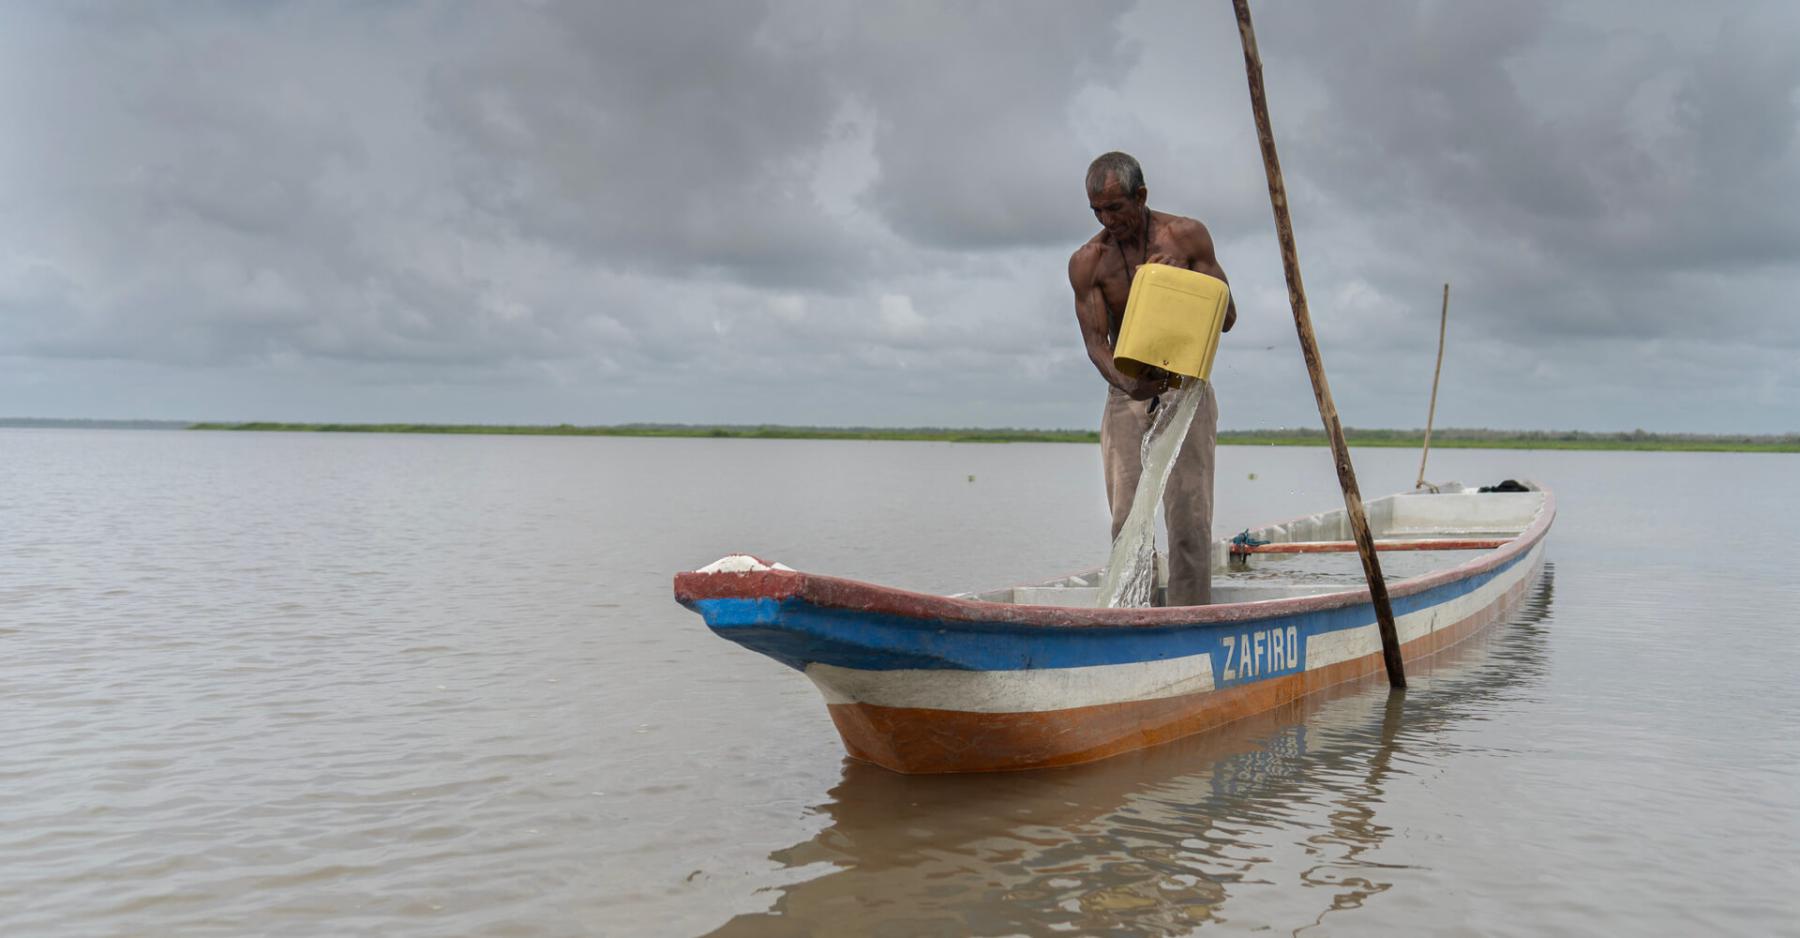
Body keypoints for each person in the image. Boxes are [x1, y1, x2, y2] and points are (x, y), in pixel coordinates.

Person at [1067, 151, 1236, 606]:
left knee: (1189, 520)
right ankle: (1133, 620)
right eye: (1097, 211)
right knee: (1127, 522)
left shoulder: (1185, 236)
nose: (1108, 219)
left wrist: (1179, 282)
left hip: (1185, 389)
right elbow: (1096, 345)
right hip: (1128, 394)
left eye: (1116, 208)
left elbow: (1227, 317)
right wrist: (1129, 386)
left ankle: (1189, 619)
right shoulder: (1088, 262)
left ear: (1141, 196)